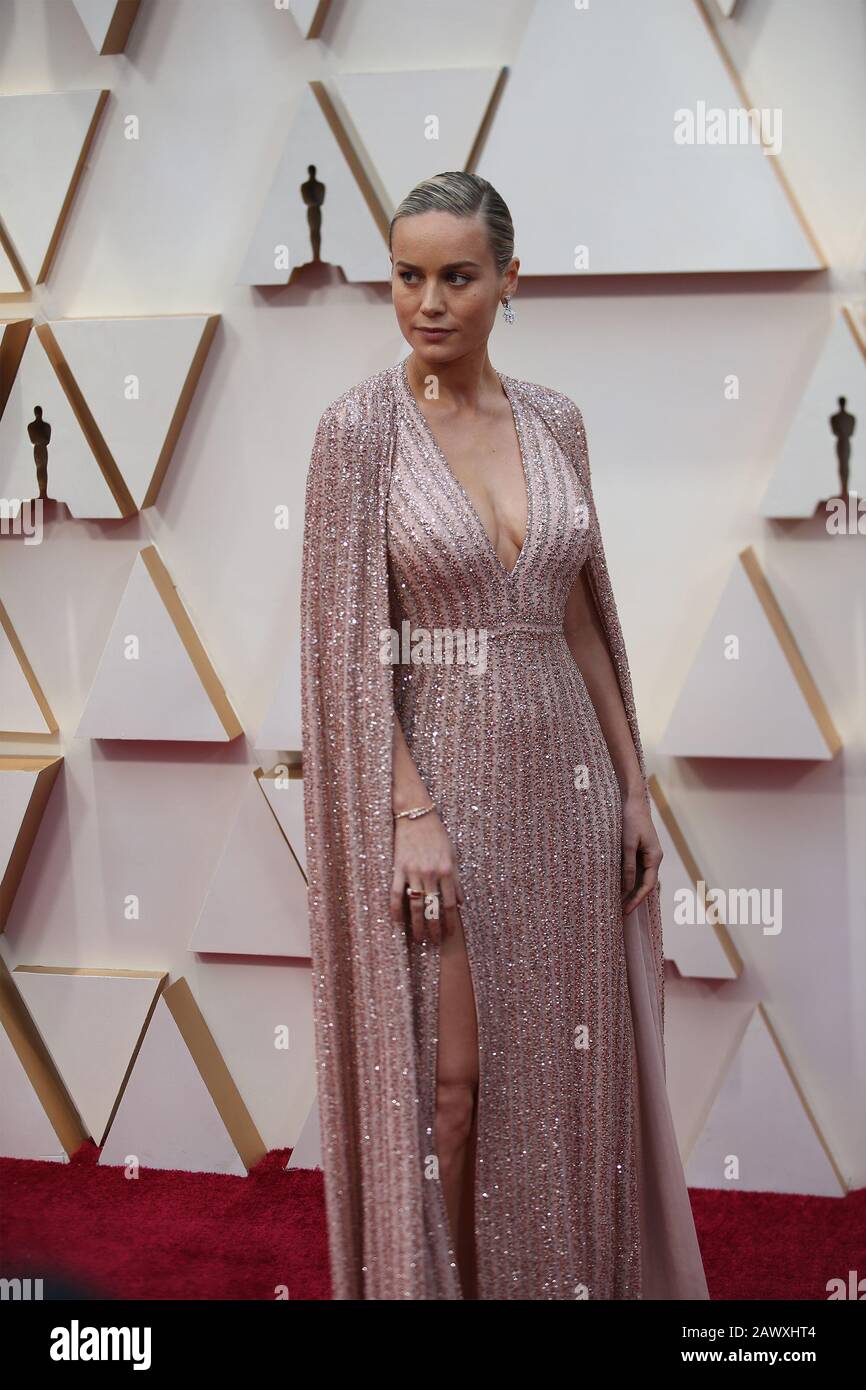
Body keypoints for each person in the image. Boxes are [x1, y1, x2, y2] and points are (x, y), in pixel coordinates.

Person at [300, 171, 709, 1300]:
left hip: (567, 785)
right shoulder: (356, 434)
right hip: (443, 785)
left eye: (456, 276)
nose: (427, 301)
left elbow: (581, 617)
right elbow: (347, 653)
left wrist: (632, 789)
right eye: (406, 275)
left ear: (507, 280)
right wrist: (408, 812)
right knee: (453, 1093)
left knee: (565, 1083)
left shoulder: (553, 419)